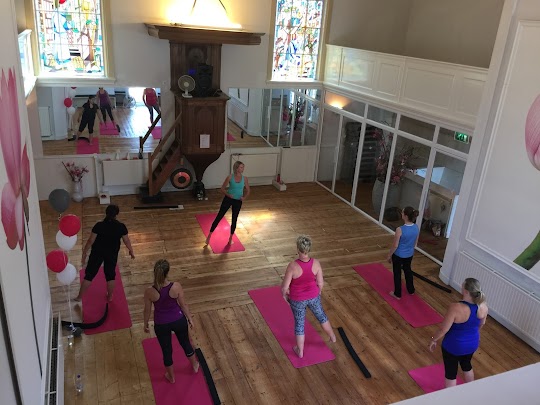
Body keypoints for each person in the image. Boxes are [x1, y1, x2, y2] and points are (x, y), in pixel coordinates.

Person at [143, 259, 199, 383]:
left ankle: (171, 377)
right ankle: (195, 365)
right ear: (167, 272)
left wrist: (145, 323)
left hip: (161, 324)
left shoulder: (149, 291)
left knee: (166, 350)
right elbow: (183, 305)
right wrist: (190, 319)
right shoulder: (176, 286)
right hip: (178, 320)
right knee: (185, 343)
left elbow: (147, 310)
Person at [281, 235, 336, 358]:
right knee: (321, 316)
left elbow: (285, 287)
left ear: (297, 249)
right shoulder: (316, 263)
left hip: (297, 299)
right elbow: (320, 283)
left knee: (299, 324)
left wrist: (284, 296)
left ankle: (300, 351)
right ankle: (332, 337)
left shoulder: (292, 266)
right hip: (313, 296)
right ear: (309, 249)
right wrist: (318, 292)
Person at [429, 278, 488, 388]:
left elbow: (443, 329)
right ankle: (471, 389)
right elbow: (481, 324)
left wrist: (434, 339)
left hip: (453, 346)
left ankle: (451, 396)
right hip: (473, 344)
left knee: (451, 372)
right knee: (466, 365)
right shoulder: (483, 306)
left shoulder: (455, 308)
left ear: (466, 291)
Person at [76, 204, 135, 301]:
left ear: (106, 213)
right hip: (112, 254)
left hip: (97, 252)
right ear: (117, 214)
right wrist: (131, 251)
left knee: (89, 275)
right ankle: (110, 296)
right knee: (110, 276)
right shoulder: (121, 227)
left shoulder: (99, 225)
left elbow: (90, 241)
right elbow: (126, 240)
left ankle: (79, 297)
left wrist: (84, 253)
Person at [205, 161, 250, 246]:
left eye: (243, 167)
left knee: (234, 219)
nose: (243, 169)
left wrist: (244, 197)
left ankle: (230, 238)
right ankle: (209, 235)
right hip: (228, 199)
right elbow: (222, 189)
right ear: (237, 168)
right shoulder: (230, 177)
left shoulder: (245, 179)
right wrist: (228, 195)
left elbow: (248, 190)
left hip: (238, 201)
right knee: (219, 216)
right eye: (241, 167)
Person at [387, 206, 420, 300]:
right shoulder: (416, 227)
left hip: (398, 255)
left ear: (405, 216)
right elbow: (415, 243)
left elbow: (395, 245)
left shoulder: (400, 229)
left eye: (402, 212)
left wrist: (389, 255)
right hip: (409, 254)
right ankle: (411, 290)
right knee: (408, 270)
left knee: (397, 273)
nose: (401, 214)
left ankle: (397, 294)